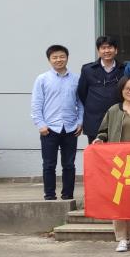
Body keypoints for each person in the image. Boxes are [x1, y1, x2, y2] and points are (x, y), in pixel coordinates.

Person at [90, 75, 130, 252]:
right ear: (121, 90)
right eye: (127, 89)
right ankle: (121, 238)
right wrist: (99, 140)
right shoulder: (113, 110)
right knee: (118, 199)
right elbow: (103, 131)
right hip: (117, 161)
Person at [30, 44, 82, 202]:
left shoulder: (76, 79)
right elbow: (36, 104)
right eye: (55, 57)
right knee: (49, 164)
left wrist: (80, 122)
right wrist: (40, 124)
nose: (59, 60)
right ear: (49, 60)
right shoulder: (42, 79)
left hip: (71, 128)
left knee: (69, 164)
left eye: (62, 56)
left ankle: (68, 195)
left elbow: (81, 103)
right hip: (49, 128)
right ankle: (49, 195)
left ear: (67, 58)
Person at [77, 36, 123, 146]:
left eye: (110, 47)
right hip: (94, 121)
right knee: (96, 153)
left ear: (116, 50)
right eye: (103, 48)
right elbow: (82, 93)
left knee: (116, 153)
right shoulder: (88, 69)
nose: (106, 51)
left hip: (118, 119)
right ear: (98, 51)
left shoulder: (124, 69)